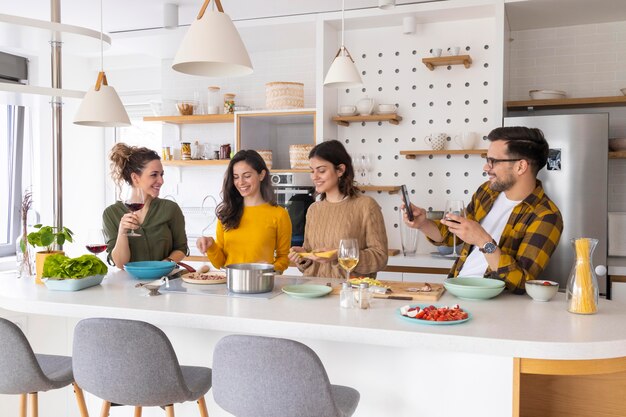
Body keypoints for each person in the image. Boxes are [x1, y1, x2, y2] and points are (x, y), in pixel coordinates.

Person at [403, 126, 563, 293]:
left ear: (521, 166)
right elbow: (452, 236)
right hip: (455, 290)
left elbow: (522, 283)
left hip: (497, 306)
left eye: (493, 161)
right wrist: (423, 223)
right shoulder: (487, 192)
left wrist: (484, 242)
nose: (486, 168)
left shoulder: (546, 216)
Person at [288, 140, 388, 278]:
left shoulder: (366, 206)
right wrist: (303, 256)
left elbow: (380, 257)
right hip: (313, 291)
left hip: (350, 292)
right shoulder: (314, 209)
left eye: (321, 170)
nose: (314, 177)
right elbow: (311, 262)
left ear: (340, 170)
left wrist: (339, 255)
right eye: (312, 171)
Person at [196, 150, 292, 272]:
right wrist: (211, 246)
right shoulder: (227, 213)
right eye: (236, 177)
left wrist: (269, 269)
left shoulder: (279, 214)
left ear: (261, 175)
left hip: (262, 285)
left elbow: (284, 257)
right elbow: (220, 263)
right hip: (231, 285)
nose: (240, 182)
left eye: (247, 176)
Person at [103, 143, 188, 268]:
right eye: (154, 175)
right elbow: (120, 264)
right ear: (135, 178)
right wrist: (122, 232)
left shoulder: (170, 209)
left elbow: (181, 248)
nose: (161, 181)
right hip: (128, 285)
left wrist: (164, 264)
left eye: (161, 174)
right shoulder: (111, 214)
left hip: (164, 281)